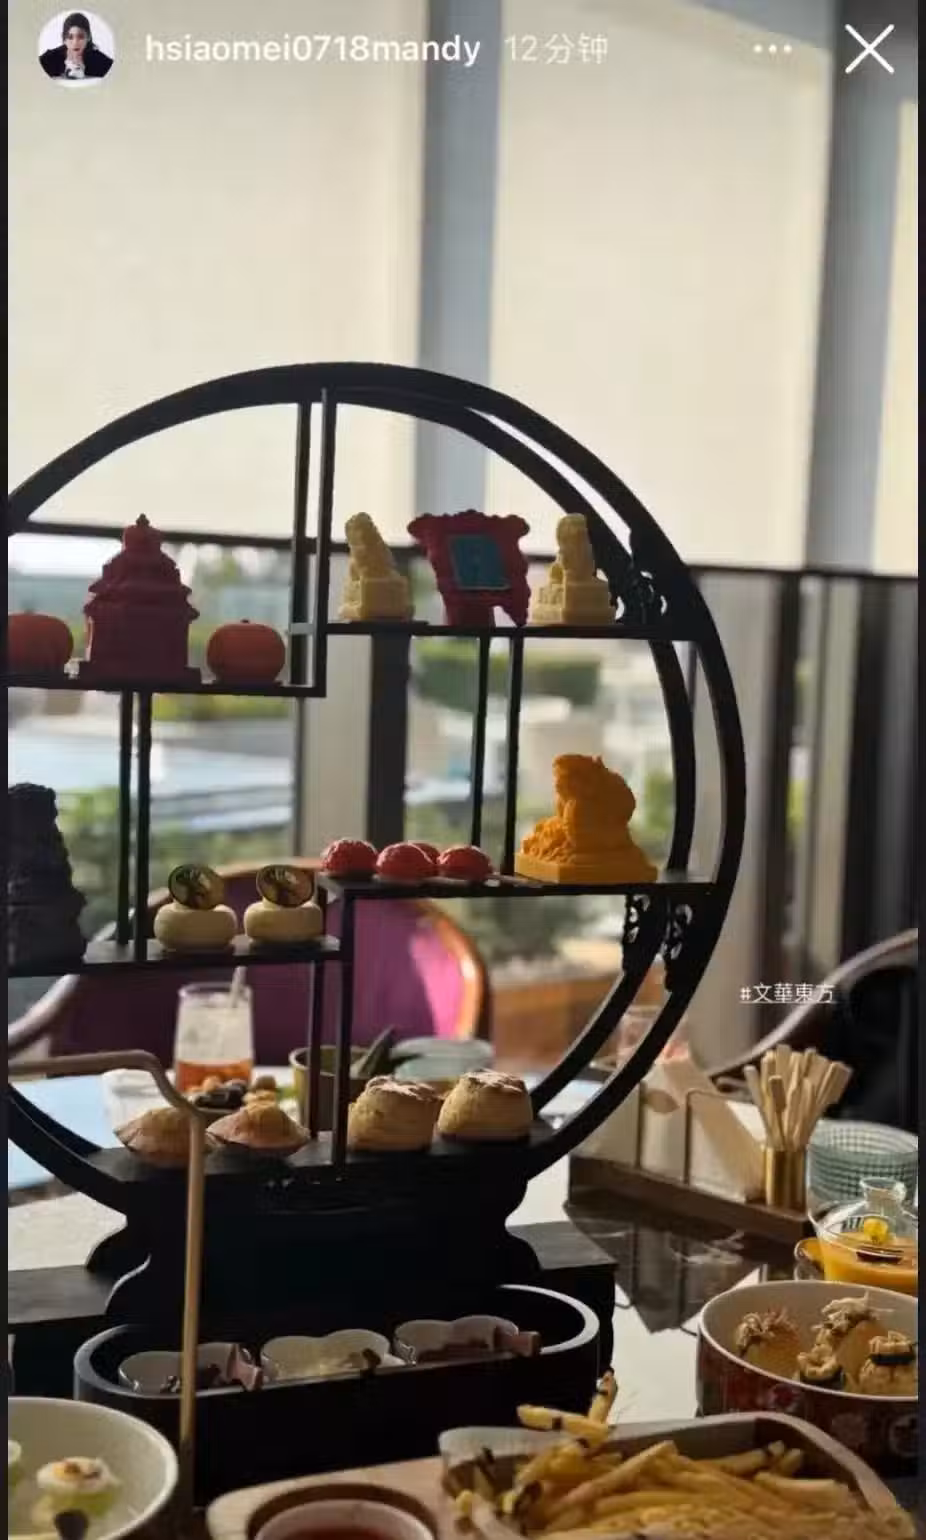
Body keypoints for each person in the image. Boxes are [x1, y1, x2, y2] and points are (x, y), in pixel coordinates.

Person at [40, 12, 112, 80]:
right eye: (70, 37)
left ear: (88, 37)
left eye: (81, 37)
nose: (75, 43)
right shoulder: (50, 58)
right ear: (64, 39)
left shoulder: (99, 60)